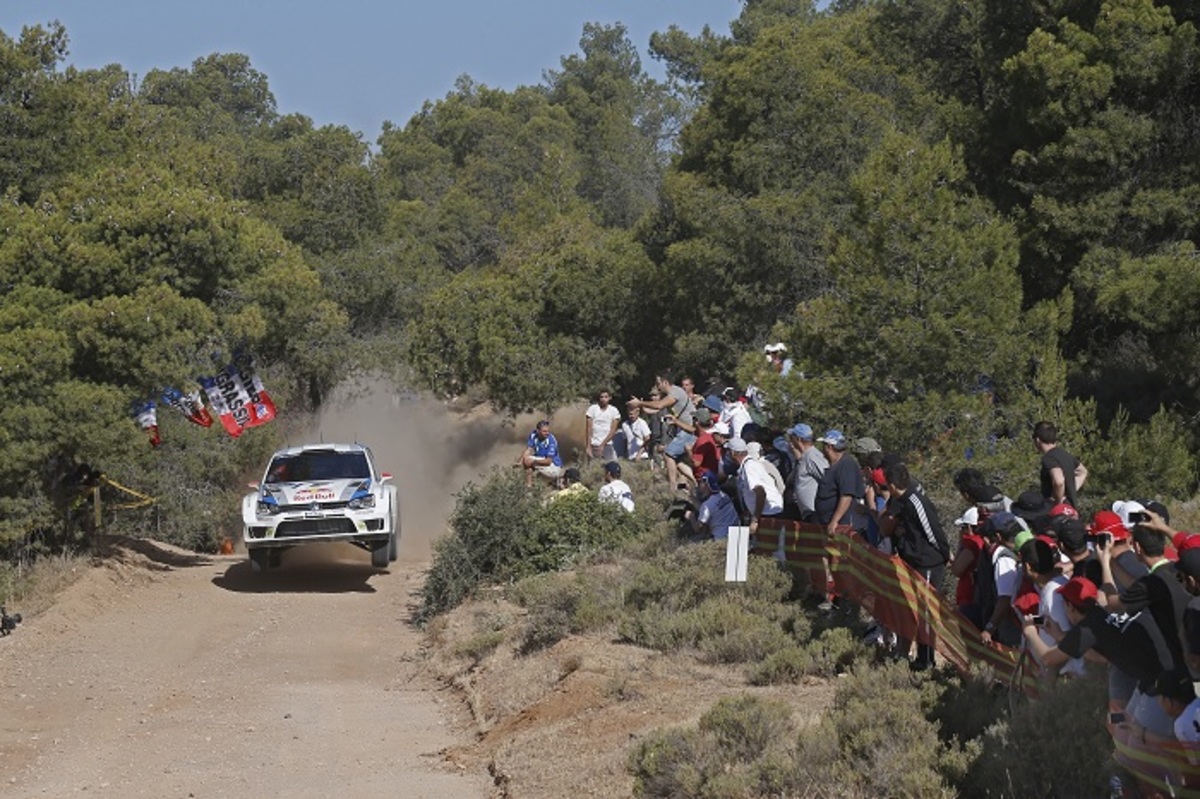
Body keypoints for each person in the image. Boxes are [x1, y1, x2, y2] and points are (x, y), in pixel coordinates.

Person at [1021, 576, 1177, 736]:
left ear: (1070, 606)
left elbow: (1047, 658)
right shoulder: (1100, 614)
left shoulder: (1088, 628)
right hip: (1155, 678)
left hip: (1159, 688)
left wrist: (1030, 632)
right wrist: (1061, 636)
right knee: (1117, 720)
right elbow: (1103, 656)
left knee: (1141, 737)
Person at [879, 463, 950, 670]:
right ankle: (919, 657)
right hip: (913, 560)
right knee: (915, 609)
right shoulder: (900, 502)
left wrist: (946, 554)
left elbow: (933, 531)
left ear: (892, 485)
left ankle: (927, 659)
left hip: (928, 562)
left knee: (925, 610)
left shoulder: (915, 502)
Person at [628, 371, 696, 493]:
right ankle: (693, 480)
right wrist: (642, 407)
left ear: (665, 382)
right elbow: (654, 410)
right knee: (675, 458)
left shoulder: (675, 393)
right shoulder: (671, 394)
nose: (657, 386)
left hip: (688, 430)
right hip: (684, 430)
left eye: (658, 383)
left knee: (669, 454)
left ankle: (673, 487)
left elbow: (659, 405)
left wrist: (640, 403)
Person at [977, 511, 1024, 647]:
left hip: (1012, 624)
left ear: (997, 536)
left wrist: (989, 628)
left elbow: (1005, 599)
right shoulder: (1021, 548)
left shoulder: (1003, 559)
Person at [728, 437, 783, 537]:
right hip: (767, 511)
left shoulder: (749, 467)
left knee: (766, 548)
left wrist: (755, 520)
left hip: (768, 513)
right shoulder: (750, 464)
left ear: (733, 453)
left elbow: (761, 492)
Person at [1033, 420, 1087, 507]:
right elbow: (1083, 472)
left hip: (1057, 514)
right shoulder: (1066, 455)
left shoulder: (1049, 458)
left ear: (1037, 439)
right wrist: (1070, 491)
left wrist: (1057, 502)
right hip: (1071, 510)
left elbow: (1059, 481)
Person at [784, 423, 827, 522]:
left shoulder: (812, 457)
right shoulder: (805, 457)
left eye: (792, 438)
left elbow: (827, 478)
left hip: (814, 513)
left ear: (798, 439)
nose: (790, 441)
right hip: (806, 513)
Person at [685, 471, 740, 541]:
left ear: (706, 484)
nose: (699, 484)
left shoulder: (707, 505)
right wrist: (691, 496)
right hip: (735, 534)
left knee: (690, 541)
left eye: (700, 482)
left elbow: (698, 529)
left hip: (720, 539)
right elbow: (706, 509)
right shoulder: (723, 495)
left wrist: (691, 517)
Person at [515, 420, 564, 487]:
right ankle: (530, 486)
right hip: (544, 466)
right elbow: (528, 450)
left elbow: (548, 461)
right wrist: (520, 462)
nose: (547, 433)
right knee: (527, 461)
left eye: (548, 431)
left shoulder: (551, 441)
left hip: (554, 467)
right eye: (544, 431)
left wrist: (532, 462)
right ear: (538, 431)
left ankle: (529, 487)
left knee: (528, 460)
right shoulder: (533, 435)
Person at [585, 389, 622, 462]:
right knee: (594, 466)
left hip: (607, 445)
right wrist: (588, 446)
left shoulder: (614, 411)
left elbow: (613, 430)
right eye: (601, 397)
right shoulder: (592, 409)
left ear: (609, 398)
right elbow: (588, 429)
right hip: (594, 444)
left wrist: (603, 445)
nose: (603, 399)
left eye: (606, 397)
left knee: (611, 465)